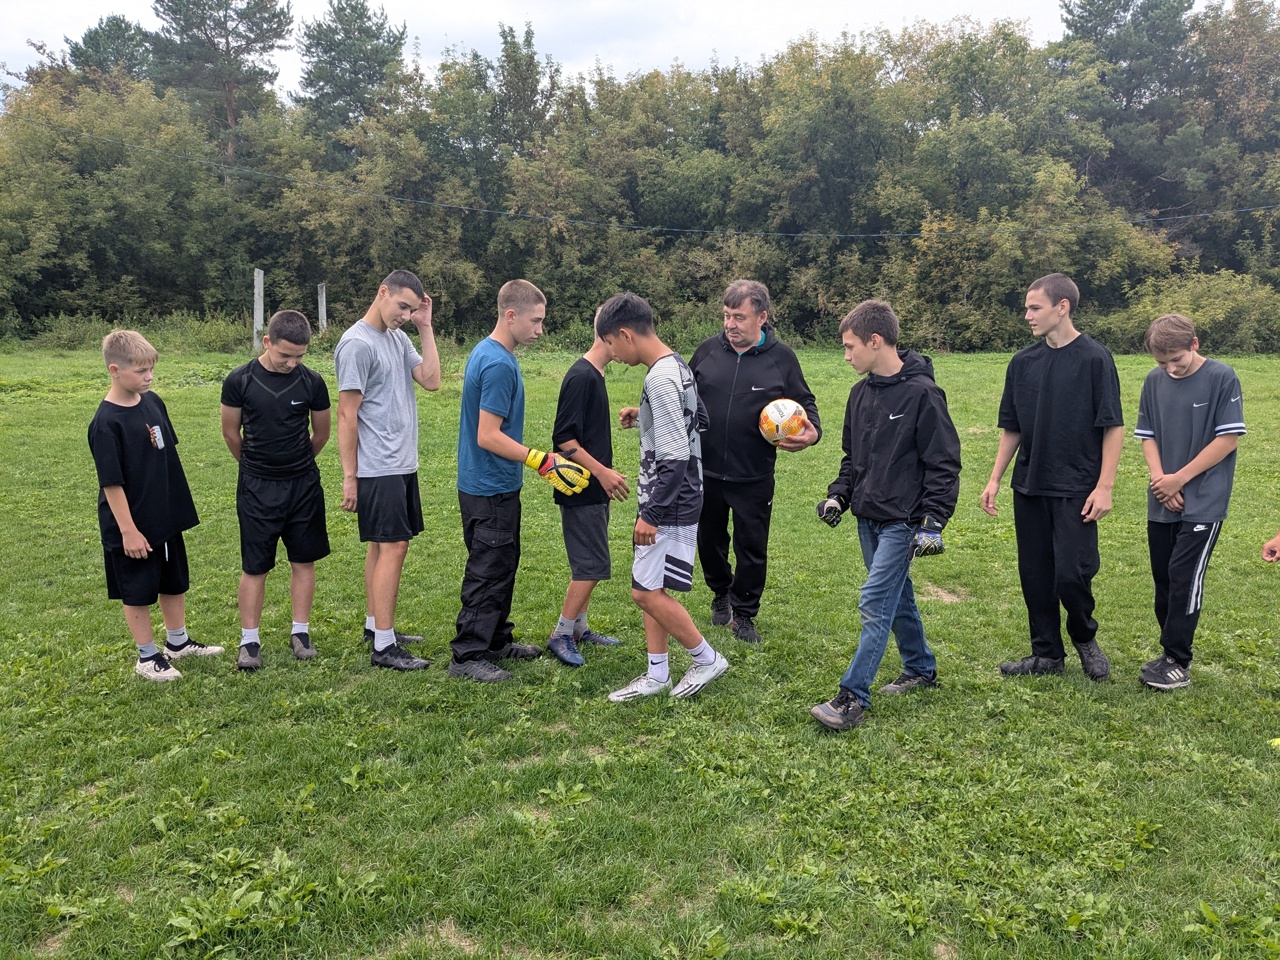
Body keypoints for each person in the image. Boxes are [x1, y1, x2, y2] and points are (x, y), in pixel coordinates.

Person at [809, 300, 961, 731]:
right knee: (898, 595)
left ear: (875, 341)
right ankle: (920, 667)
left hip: (904, 520)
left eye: (850, 346)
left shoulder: (923, 394)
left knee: (875, 601)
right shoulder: (859, 394)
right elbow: (852, 459)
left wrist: (934, 522)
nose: (845, 356)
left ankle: (852, 697)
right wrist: (838, 497)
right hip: (868, 517)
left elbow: (943, 463)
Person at [981, 273, 1123, 681]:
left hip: (1077, 486)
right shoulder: (1022, 362)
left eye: (1035, 307)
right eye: (1027, 308)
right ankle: (1046, 655)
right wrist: (994, 478)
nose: (1027, 315)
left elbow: (1112, 425)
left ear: (1063, 307)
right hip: (1030, 484)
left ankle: (1084, 636)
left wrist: (1105, 486)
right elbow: (1012, 427)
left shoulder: (1095, 359)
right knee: (1035, 574)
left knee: (1072, 573)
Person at [450, 279, 591, 682]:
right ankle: (467, 655)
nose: (540, 330)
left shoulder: (488, 351)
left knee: (502, 563)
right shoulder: (497, 364)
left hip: (492, 484)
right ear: (511, 315)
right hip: (488, 486)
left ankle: (496, 640)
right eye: (535, 321)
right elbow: (487, 435)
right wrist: (540, 460)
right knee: (488, 569)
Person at [595, 291, 729, 702]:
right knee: (652, 586)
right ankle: (657, 674)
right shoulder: (677, 365)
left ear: (625, 334)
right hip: (679, 494)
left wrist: (651, 514)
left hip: (668, 499)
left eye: (611, 344)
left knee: (644, 592)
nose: (613, 354)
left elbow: (675, 457)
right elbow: (700, 419)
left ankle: (706, 659)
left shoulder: (660, 377)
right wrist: (647, 416)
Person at [689, 279, 820, 644]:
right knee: (709, 540)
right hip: (706, 470)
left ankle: (744, 614)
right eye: (726, 316)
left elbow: (806, 405)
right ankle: (721, 593)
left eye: (739, 317)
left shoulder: (782, 359)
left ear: (762, 317)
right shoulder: (707, 352)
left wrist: (812, 433)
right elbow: (682, 396)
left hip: (753, 475)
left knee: (752, 547)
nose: (730, 324)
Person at [88, 330, 223, 681]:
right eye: (141, 371)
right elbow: (111, 483)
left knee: (173, 581)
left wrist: (171, 509)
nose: (149, 377)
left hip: (164, 516)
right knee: (137, 589)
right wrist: (129, 531)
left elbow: (162, 453)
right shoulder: (106, 423)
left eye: (151, 369)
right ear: (115, 370)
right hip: (133, 525)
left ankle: (177, 642)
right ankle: (147, 657)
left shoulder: (153, 402)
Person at [333, 270, 440, 671]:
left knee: (381, 546)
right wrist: (350, 476)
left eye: (412, 310)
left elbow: (431, 380)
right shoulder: (356, 344)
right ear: (382, 292)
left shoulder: (398, 338)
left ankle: (375, 625)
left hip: (401, 461)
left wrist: (425, 327)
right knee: (394, 546)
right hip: (378, 466)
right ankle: (384, 646)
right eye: (402, 307)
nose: (405, 315)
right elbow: (347, 414)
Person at [1135, 314, 1244, 690]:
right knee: (1164, 578)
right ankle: (1168, 654)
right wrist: (1161, 481)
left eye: (1176, 360)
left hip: (1204, 499)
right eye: (1161, 362)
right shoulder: (1154, 381)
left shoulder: (1222, 377)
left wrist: (1179, 479)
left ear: (1194, 344)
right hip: (1163, 496)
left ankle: (1178, 660)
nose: (1170, 369)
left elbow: (1227, 439)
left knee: (1185, 577)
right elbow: (1147, 434)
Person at [221, 310, 331, 670]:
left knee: (303, 560)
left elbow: (321, 434)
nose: (292, 363)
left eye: (299, 356)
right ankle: (249, 641)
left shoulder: (312, 382)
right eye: (285, 355)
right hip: (256, 486)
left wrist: (296, 464)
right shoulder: (239, 380)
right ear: (267, 342)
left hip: (303, 486)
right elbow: (230, 434)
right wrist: (257, 466)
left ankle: (301, 633)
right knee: (255, 566)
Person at [544, 320, 631, 666]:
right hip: (581, 488)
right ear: (609, 335)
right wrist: (602, 472)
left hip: (595, 490)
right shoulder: (581, 376)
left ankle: (579, 628)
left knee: (589, 561)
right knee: (591, 565)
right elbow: (563, 439)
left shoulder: (596, 374)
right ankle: (561, 633)